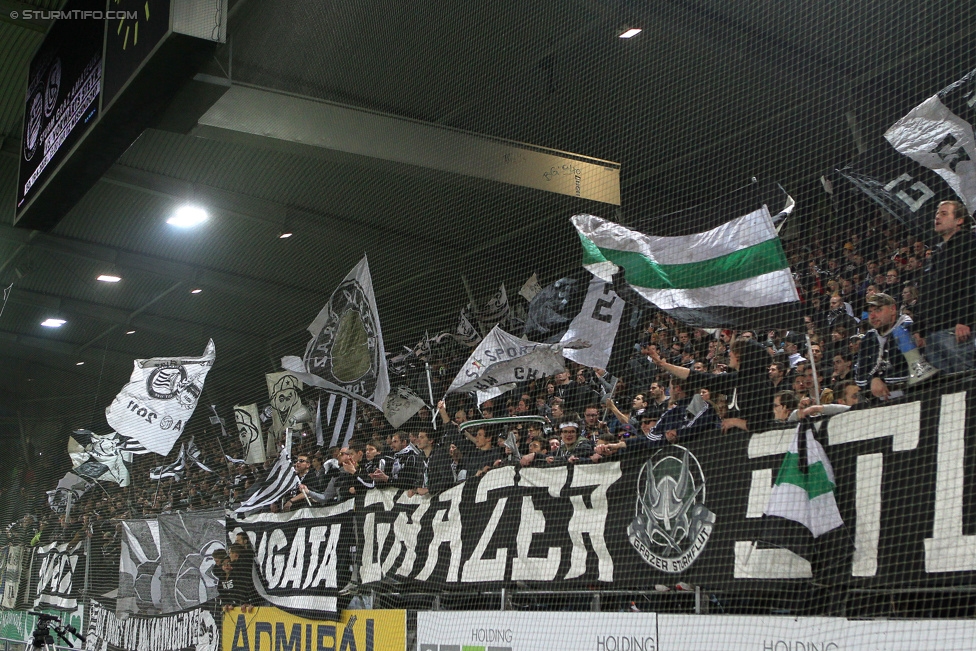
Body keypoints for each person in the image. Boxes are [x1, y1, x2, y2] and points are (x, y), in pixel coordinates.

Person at [649, 335, 772, 432]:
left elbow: (760, 423)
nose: (729, 354)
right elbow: (701, 378)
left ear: (741, 356)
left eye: (733, 351)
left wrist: (734, 421)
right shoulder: (737, 379)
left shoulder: (759, 382)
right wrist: (664, 365)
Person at [917, 200, 976, 373]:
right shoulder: (937, 253)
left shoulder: (968, 243)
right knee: (947, 390)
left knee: (966, 381)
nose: (937, 217)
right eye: (937, 214)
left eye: (944, 213)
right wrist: (920, 329)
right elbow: (926, 293)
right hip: (933, 333)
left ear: (959, 220)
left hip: (957, 331)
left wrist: (965, 320)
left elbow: (971, 281)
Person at [855, 293, 937, 399]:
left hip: (916, 395)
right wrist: (873, 379)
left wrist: (882, 380)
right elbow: (859, 378)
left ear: (892, 309)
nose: (872, 316)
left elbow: (918, 372)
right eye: (870, 312)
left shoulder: (910, 330)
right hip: (881, 402)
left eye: (878, 310)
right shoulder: (868, 338)